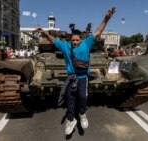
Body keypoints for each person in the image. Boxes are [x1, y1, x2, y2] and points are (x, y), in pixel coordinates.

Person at [36, 7, 116, 135]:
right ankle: (70, 120)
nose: (75, 42)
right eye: (73, 40)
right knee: (71, 99)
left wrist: (106, 18)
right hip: (71, 77)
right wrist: (44, 33)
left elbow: (97, 32)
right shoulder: (65, 46)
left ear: (81, 39)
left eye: (77, 40)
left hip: (83, 77)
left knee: (83, 97)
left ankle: (82, 114)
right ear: (70, 40)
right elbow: (54, 40)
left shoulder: (86, 43)